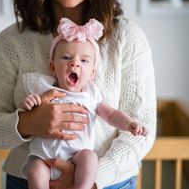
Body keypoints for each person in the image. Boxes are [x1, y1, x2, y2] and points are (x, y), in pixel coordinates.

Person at [0, 0, 156, 189]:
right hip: (27, 178)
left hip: (108, 183)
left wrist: (91, 177)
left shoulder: (128, 39)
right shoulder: (11, 42)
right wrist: (28, 122)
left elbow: (142, 128)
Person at [20, 17, 147, 189]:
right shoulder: (43, 87)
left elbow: (111, 114)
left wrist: (129, 123)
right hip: (44, 160)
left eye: (84, 61)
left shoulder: (91, 94)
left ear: (92, 72)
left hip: (77, 158)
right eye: (66, 57)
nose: (74, 63)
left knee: (90, 157)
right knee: (35, 170)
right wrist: (30, 102)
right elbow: (27, 109)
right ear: (52, 67)